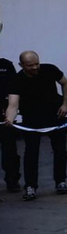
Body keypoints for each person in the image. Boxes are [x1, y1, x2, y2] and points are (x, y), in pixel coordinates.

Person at [4, 52, 67, 200]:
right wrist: (9, 119)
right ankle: (30, 186)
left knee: (60, 149)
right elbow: (13, 104)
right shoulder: (17, 80)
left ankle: (60, 181)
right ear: (21, 65)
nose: (35, 67)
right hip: (32, 119)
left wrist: (65, 104)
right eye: (30, 65)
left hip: (55, 115)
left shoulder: (50, 70)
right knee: (31, 152)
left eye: (37, 64)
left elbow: (65, 83)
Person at [0, 23, 19, 193]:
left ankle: (12, 180)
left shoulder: (6, 66)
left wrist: (10, 115)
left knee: (9, 150)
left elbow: (14, 94)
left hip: (4, 116)